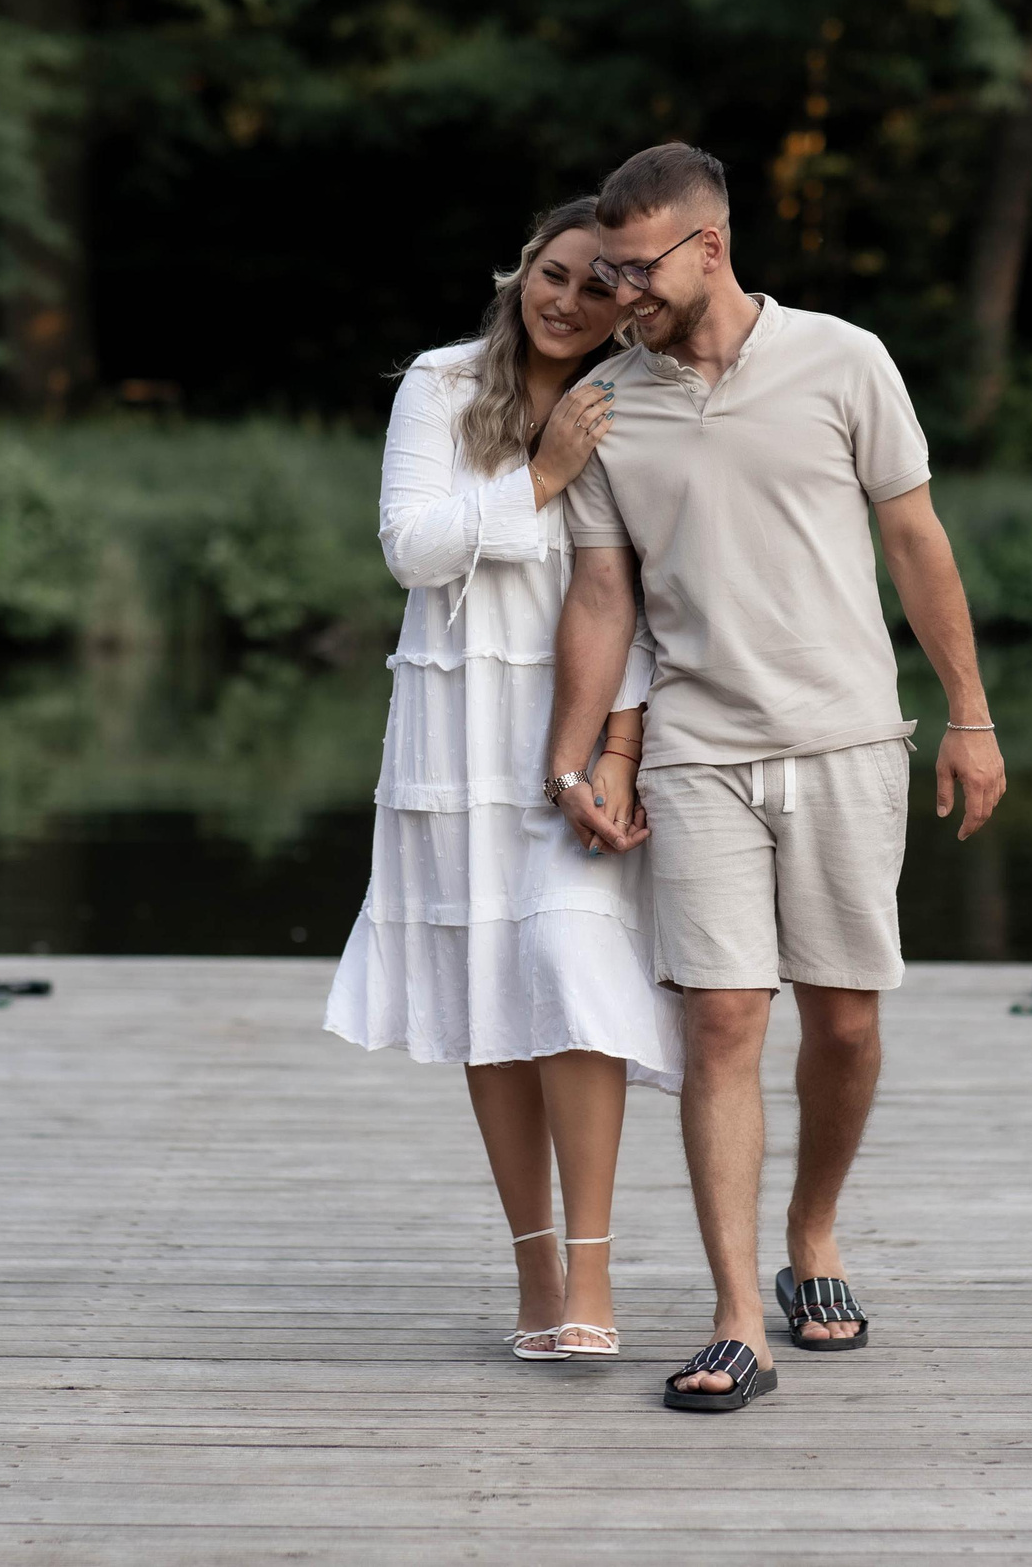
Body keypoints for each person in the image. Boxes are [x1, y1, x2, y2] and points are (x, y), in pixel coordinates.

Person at [542, 144, 1006, 1411]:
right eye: (609, 267)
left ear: (708, 246)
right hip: (698, 749)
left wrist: (968, 715)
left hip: (849, 737)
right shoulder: (604, 405)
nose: (616, 290)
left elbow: (914, 539)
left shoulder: (844, 359)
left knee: (845, 1021)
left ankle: (814, 1232)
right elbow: (599, 590)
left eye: (637, 267)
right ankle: (736, 1315)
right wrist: (580, 752)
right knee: (724, 1021)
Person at [325, 196, 682, 1364]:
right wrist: (537, 476)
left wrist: (615, 750)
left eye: (596, 287)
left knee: (573, 974)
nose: (567, 302)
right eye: (554, 273)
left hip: (580, 717)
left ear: (628, 302)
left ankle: (592, 1277)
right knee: (491, 994)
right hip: (453, 723)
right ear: (521, 267)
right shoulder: (438, 383)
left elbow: (632, 589)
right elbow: (411, 549)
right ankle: (535, 1275)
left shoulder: (628, 399)